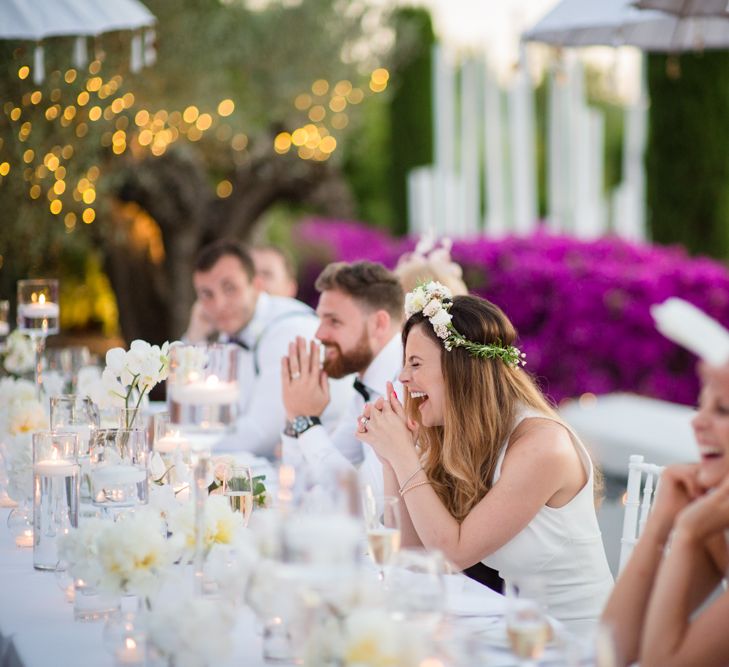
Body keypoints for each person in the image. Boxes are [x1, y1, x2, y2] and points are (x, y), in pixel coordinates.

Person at [356, 282, 613, 633]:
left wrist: (404, 457)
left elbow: (453, 553)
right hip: (516, 631)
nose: (402, 376)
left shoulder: (543, 446)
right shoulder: (463, 437)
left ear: (460, 368)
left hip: (574, 645)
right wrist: (389, 457)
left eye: (415, 363)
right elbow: (414, 556)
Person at [601, 361, 729, 667]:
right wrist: (661, 522)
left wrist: (686, 533)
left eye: (723, 410)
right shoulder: (716, 518)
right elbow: (614, 647)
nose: (697, 422)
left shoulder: (701, 525)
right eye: (702, 406)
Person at [183, 239, 319, 458]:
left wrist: (182, 442)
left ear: (256, 285)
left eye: (230, 289)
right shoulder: (232, 328)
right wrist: (194, 338)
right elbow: (196, 410)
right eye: (207, 294)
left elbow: (261, 434)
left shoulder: (288, 330)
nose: (218, 305)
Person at [280, 261, 404, 497]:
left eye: (334, 321)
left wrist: (306, 422)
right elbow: (306, 484)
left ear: (379, 324)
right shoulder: (366, 385)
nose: (319, 334)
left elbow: (362, 501)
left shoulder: (406, 386)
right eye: (320, 320)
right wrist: (294, 418)